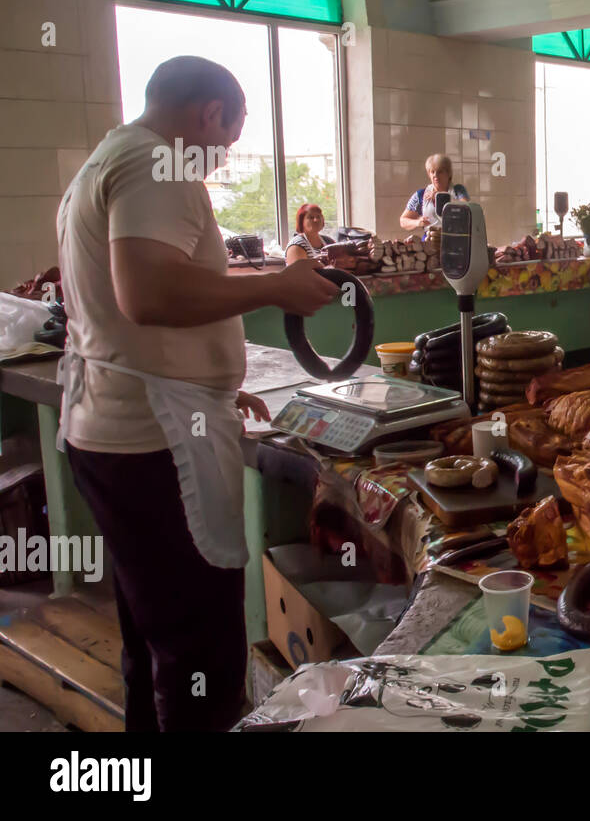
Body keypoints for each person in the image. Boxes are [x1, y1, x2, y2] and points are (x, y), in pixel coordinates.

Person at [56, 55, 338, 731]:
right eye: (228, 142)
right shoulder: (159, 164)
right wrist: (276, 285)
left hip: (123, 422)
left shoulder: (109, 159)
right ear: (210, 115)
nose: (218, 161)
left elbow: (121, 310)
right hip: (154, 444)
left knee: (150, 640)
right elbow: (147, 292)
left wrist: (206, 384)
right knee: (200, 652)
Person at [399, 153, 469, 230]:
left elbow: (466, 209)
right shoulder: (421, 194)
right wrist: (417, 222)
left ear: (448, 173)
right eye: (432, 172)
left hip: (454, 238)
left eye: (440, 172)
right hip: (430, 239)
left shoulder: (458, 190)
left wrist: (441, 198)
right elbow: (403, 221)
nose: (435, 175)